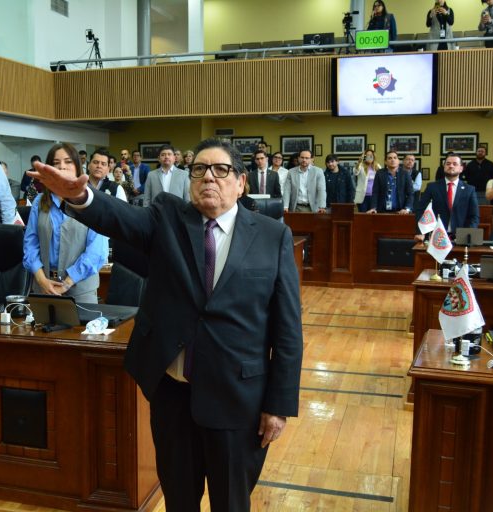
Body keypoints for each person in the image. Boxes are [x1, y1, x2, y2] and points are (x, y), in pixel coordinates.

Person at [26, 137, 302, 511]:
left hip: (238, 402)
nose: (209, 177)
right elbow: (119, 218)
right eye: (201, 169)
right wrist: (82, 197)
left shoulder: (274, 237)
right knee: (179, 502)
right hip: (174, 396)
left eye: (221, 170)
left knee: (232, 504)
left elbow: (288, 330)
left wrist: (279, 403)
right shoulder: (167, 217)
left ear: (241, 182)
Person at [22, 143, 108, 303]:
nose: (61, 166)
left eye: (68, 161)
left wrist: (67, 283)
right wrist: (42, 280)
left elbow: (97, 252)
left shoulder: (93, 201)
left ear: (77, 166)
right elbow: (30, 244)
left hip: (81, 288)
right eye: (55, 162)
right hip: (44, 286)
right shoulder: (40, 202)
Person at [414, 153, 479, 240]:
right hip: (436, 237)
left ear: (461, 168)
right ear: (444, 167)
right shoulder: (432, 187)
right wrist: (421, 232)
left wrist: (467, 235)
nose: (451, 166)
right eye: (448, 164)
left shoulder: (469, 190)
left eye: (455, 164)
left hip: (460, 238)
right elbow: (421, 210)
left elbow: (474, 216)